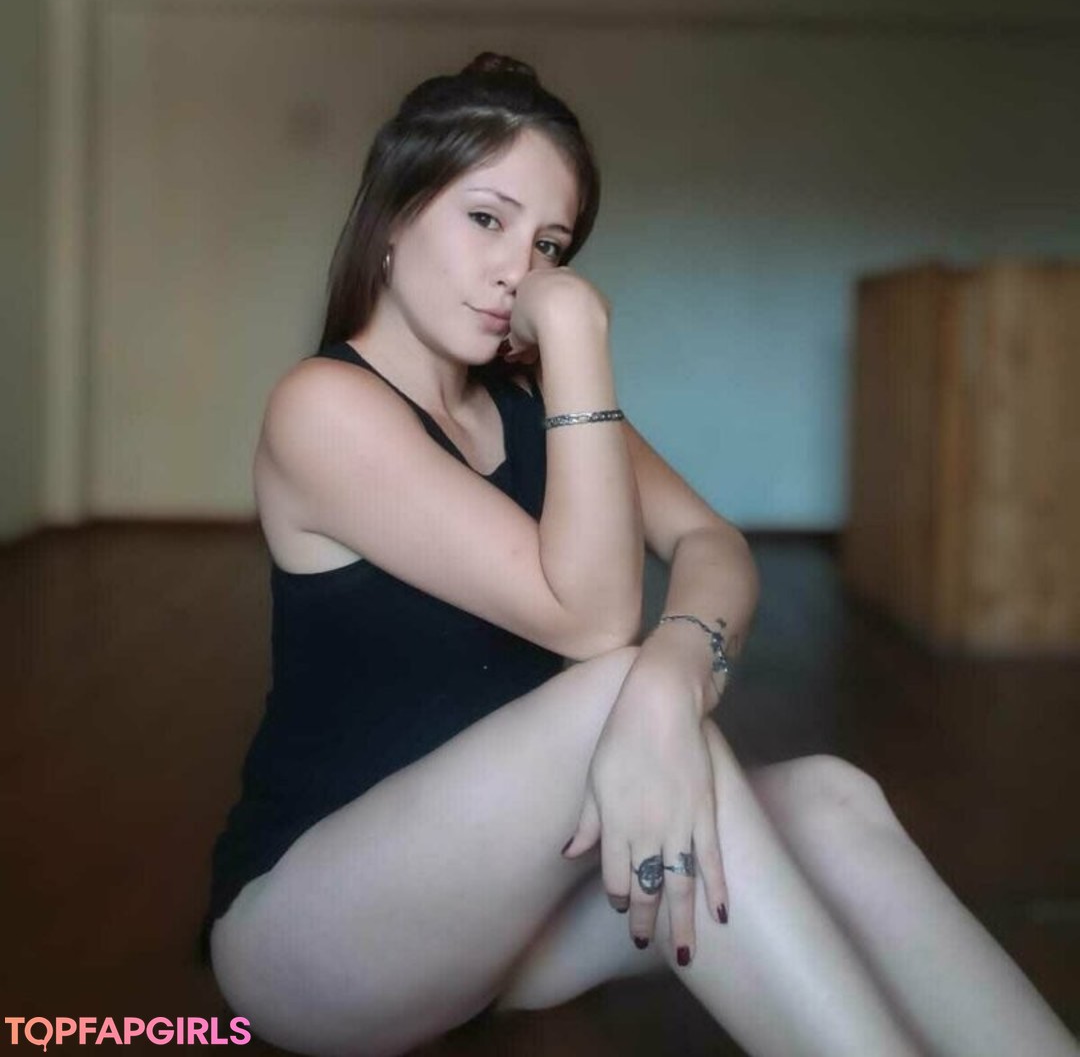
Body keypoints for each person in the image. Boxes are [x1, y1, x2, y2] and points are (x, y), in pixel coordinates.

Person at [200, 53, 1076, 1057]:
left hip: (504, 921)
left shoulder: (527, 405)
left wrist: (674, 671)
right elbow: (591, 618)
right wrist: (577, 332)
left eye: (549, 245)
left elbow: (712, 543)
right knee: (615, 687)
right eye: (486, 219)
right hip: (316, 933)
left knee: (837, 802)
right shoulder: (323, 405)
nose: (520, 271)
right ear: (394, 216)